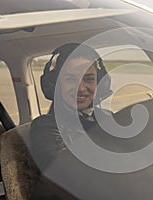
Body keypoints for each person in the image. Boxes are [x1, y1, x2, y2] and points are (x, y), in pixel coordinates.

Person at [30, 43, 113, 177]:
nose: (80, 88)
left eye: (89, 79)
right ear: (55, 84)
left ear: (100, 82)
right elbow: (70, 175)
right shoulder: (45, 127)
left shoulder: (108, 117)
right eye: (70, 79)